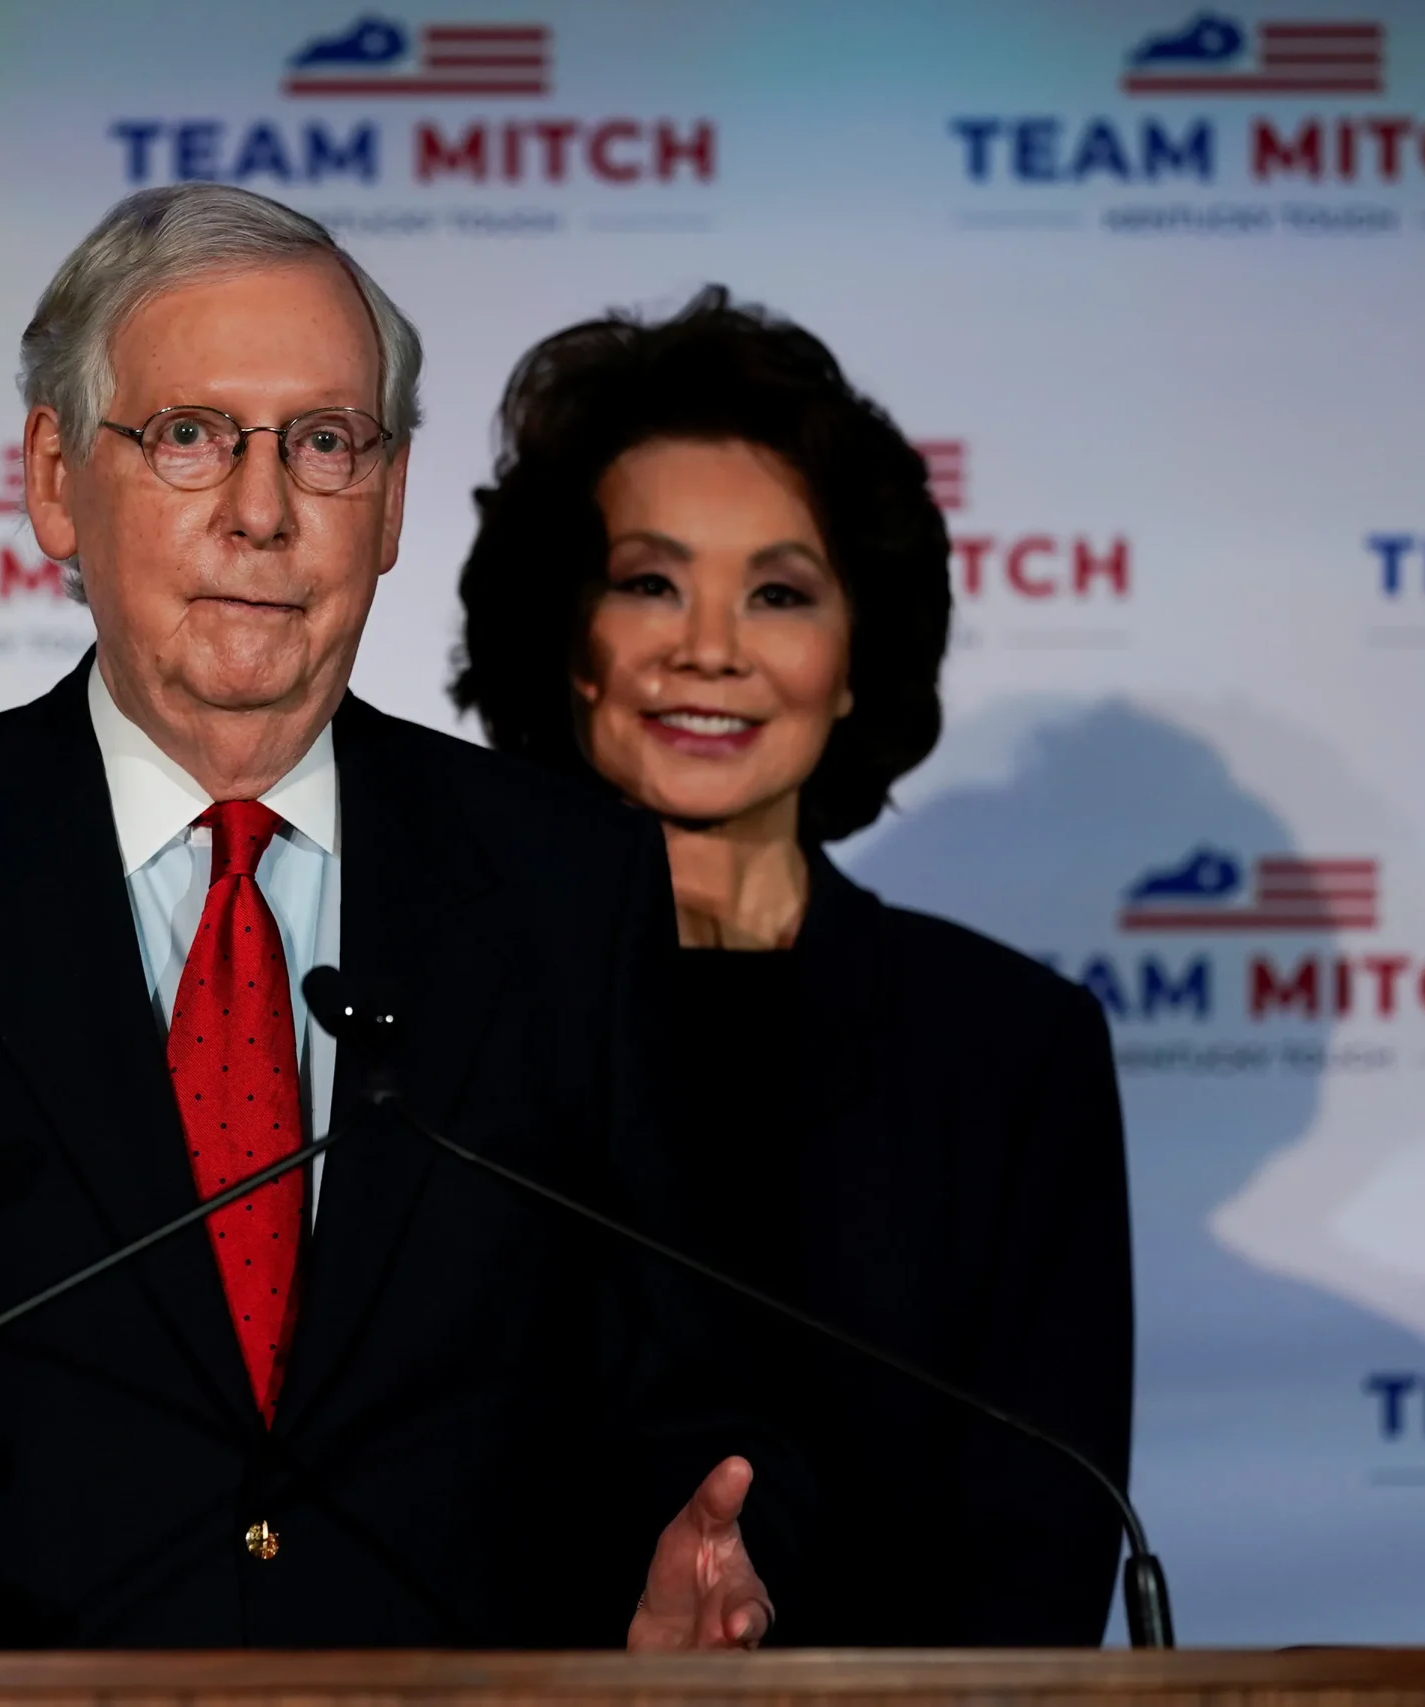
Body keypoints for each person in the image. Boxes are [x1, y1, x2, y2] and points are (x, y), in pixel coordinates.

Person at [0, 189, 793, 1654]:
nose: (262, 511)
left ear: (388, 502)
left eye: (324, 443)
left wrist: (702, 1560)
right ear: (58, 479)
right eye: (191, 435)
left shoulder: (566, 883)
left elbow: (689, 1386)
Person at [450, 287, 1133, 1645]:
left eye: (779, 592)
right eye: (649, 581)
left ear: (856, 659)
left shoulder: (1007, 1046)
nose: (709, 647)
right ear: (562, 641)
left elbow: (1040, 1544)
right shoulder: (429, 1012)